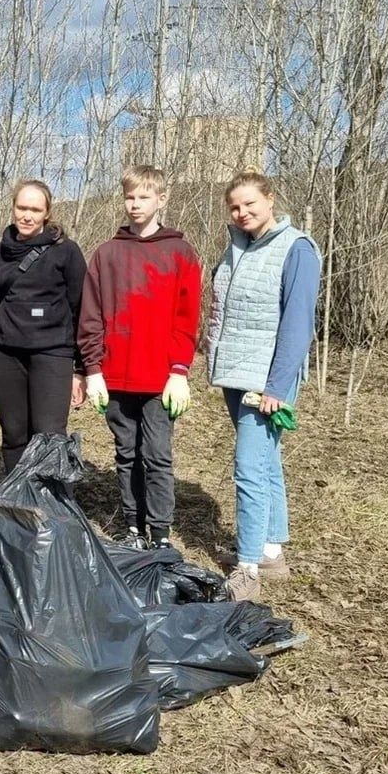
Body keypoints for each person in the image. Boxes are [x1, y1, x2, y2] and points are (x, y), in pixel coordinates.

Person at [206, 171, 320, 601]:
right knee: (267, 460)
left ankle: (248, 567)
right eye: (235, 207)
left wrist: (277, 386)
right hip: (236, 373)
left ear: (270, 200)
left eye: (250, 204)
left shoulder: (297, 249)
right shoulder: (238, 246)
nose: (243, 212)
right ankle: (272, 552)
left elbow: (297, 324)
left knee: (248, 467)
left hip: (266, 381)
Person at [78, 164, 202, 550]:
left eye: (144, 197)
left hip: (162, 378)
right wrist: (93, 369)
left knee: (158, 455)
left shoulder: (180, 252)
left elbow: (187, 318)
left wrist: (179, 370)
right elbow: (91, 314)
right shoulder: (107, 253)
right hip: (116, 375)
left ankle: (161, 533)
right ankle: (133, 526)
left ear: (161, 199)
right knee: (126, 453)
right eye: (129, 197)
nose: (135, 204)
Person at [0, 179, 88, 474]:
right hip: (4, 355)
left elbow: (81, 310)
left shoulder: (67, 252)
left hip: (52, 354)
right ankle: (18, 502)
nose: (27, 215)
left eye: (35, 210)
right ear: (13, 209)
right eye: (21, 207)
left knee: (50, 435)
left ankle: (52, 506)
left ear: (47, 213)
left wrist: (81, 369)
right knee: (14, 434)